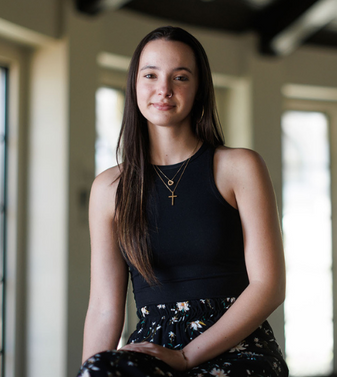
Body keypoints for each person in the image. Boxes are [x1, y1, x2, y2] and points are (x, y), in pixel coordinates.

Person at [78, 27, 287, 377]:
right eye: (150, 75)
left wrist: (187, 357)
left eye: (180, 77)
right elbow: (103, 307)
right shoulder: (109, 188)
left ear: (199, 88)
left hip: (239, 348)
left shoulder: (238, 167)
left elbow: (269, 287)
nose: (164, 89)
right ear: (134, 85)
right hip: (152, 349)